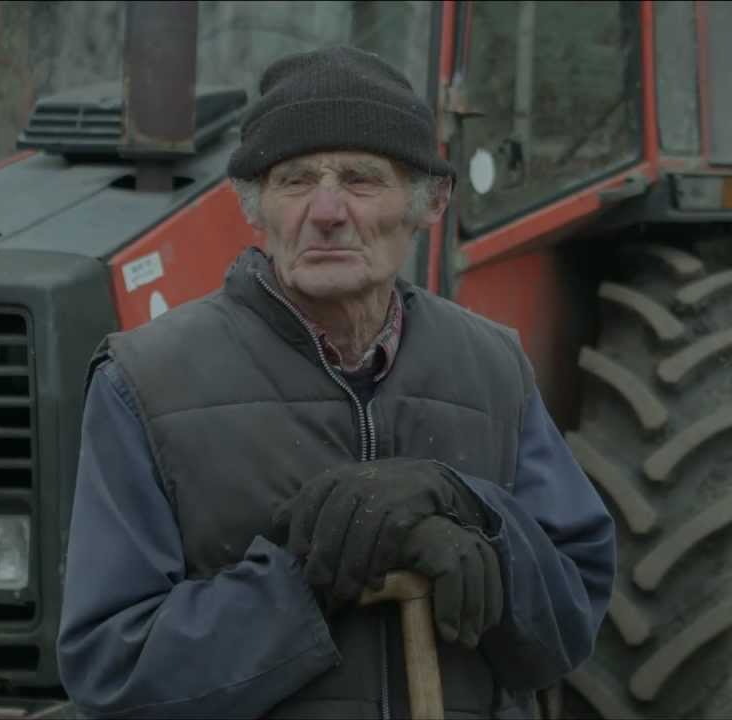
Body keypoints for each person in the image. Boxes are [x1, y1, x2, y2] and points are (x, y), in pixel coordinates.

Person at [56, 46, 616, 719]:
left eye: (361, 179)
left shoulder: (493, 368)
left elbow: (572, 617)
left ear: (430, 202)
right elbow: (112, 674)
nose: (326, 210)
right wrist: (314, 578)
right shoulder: (144, 383)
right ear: (255, 207)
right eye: (295, 181)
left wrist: (472, 510)